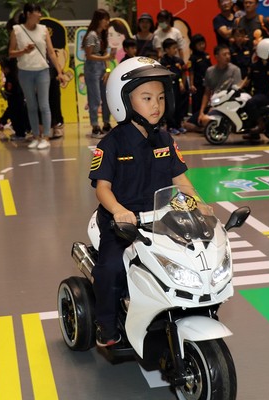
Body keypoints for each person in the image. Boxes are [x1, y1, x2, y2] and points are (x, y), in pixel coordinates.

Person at [88, 57, 196, 347]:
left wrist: (201, 205)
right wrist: (119, 210)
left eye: (160, 97)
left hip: (161, 218)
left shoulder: (165, 139)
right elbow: (102, 189)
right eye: (146, 98)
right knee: (110, 268)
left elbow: (181, 181)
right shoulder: (111, 144)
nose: (156, 105)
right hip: (120, 222)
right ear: (123, 101)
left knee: (194, 256)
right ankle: (107, 327)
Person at [9, 3, 65, 150]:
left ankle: (46, 136)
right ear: (28, 14)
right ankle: (35, 136)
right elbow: (11, 53)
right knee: (31, 105)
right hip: (25, 71)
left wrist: (59, 72)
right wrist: (23, 51)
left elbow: (51, 52)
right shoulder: (17, 30)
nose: (40, 15)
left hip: (42, 71)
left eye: (40, 12)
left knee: (44, 104)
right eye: (37, 12)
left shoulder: (43, 30)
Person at [82, 9, 115, 138]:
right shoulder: (91, 35)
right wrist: (106, 59)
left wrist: (107, 69)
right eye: (105, 19)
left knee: (106, 97)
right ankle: (95, 126)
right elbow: (89, 55)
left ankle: (106, 123)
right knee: (94, 98)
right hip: (92, 68)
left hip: (101, 67)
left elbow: (104, 54)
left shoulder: (102, 35)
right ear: (98, 20)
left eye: (108, 20)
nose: (107, 22)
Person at [197, 44, 243, 126]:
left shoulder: (235, 70)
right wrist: (201, 112)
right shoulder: (210, 71)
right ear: (217, 57)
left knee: (205, 120)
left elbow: (237, 93)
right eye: (224, 54)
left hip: (227, 104)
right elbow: (206, 93)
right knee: (188, 124)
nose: (228, 56)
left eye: (229, 54)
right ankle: (208, 128)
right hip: (214, 102)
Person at [185, 33, 212, 132]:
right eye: (199, 44)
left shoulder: (206, 55)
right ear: (194, 46)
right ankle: (197, 124)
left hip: (207, 84)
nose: (202, 46)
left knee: (207, 103)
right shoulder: (192, 58)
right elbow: (191, 71)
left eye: (203, 43)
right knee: (197, 104)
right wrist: (191, 84)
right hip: (197, 85)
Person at [159, 38, 186, 134]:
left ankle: (179, 125)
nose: (175, 50)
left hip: (178, 85)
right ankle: (170, 126)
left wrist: (181, 82)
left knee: (179, 105)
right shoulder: (163, 62)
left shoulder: (178, 60)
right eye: (173, 48)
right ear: (166, 50)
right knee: (171, 106)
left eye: (176, 48)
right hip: (169, 86)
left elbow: (181, 73)